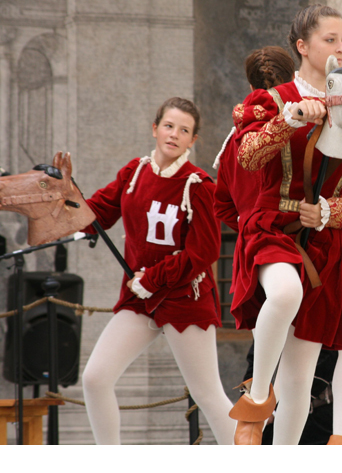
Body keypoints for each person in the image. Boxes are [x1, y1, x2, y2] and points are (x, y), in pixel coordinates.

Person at [227, 4, 342, 445]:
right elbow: (247, 157)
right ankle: (255, 404)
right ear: (302, 46)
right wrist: (290, 119)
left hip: (324, 243)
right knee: (285, 291)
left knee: (301, 374)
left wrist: (330, 213)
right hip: (272, 227)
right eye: (329, 40)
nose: (340, 48)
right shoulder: (274, 99)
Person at [80, 97, 235, 445]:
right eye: (169, 126)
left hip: (184, 299)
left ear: (193, 140)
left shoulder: (198, 186)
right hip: (140, 300)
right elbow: (96, 215)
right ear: (155, 128)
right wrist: (63, 191)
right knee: (95, 378)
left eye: (184, 130)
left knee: (208, 394)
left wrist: (152, 278)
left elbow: (204, 251)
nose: (174, 134)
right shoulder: (134, 172)